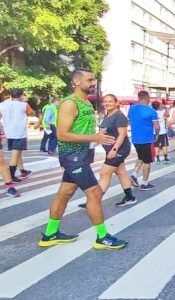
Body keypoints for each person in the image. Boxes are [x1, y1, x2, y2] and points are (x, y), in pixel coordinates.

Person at [39, 68, 126, 250]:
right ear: (77, 81)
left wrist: (96, 135)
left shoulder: (85, 102)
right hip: (72, 156)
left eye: (94, 80)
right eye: (90, 80)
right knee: (94, 193)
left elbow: (80, 129)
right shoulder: (69, 103)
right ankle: (102, 237)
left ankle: (50, 234)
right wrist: (94, 138)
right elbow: (62, 135)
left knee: (65, 193)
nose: (93, 83)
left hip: (82, 155)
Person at [80, 94, 136, 209]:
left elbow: (122, 134)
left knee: (104, 174)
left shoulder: (119, 116)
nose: (107, 103)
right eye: (105, 101)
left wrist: (114, 150)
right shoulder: (108, 115)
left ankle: (94, 201)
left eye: (110, 101)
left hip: (118, 149)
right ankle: (130, 197)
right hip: (111, 149)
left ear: (116, 103)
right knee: (121, 172)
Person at [0, 89, 35, 182]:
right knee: (15, 154)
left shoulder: (2, 105)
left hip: (8, 132)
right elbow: (32, 113)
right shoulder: (24, 105)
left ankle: (23, 170)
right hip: (19, 133)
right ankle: (11, 175)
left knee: (17, 153)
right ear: (21, 95)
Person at [128, 91, 160, 191]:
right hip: (147, 138)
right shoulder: (151, 111)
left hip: (135, 138)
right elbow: (157, 126)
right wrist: (157, 135)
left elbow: (130, 121)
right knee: (147, 161)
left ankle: (134, 174)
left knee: (140, 157)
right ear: (147, 98)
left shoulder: (132, 109)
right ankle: (145, 183)